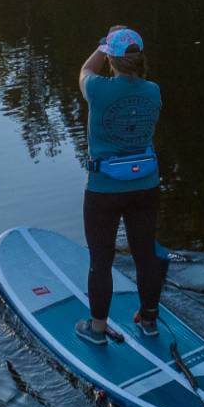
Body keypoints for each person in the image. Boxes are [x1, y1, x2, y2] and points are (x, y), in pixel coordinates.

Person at [76, 24, 167, 344]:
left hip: (104, 189)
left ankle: (98, 329)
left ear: (111, 59)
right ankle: (149, 321)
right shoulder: (153, 91)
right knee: (146, 255)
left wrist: (103, 45)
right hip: (146, 185)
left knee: (101, 260)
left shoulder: (98, 89)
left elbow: (86, 69)